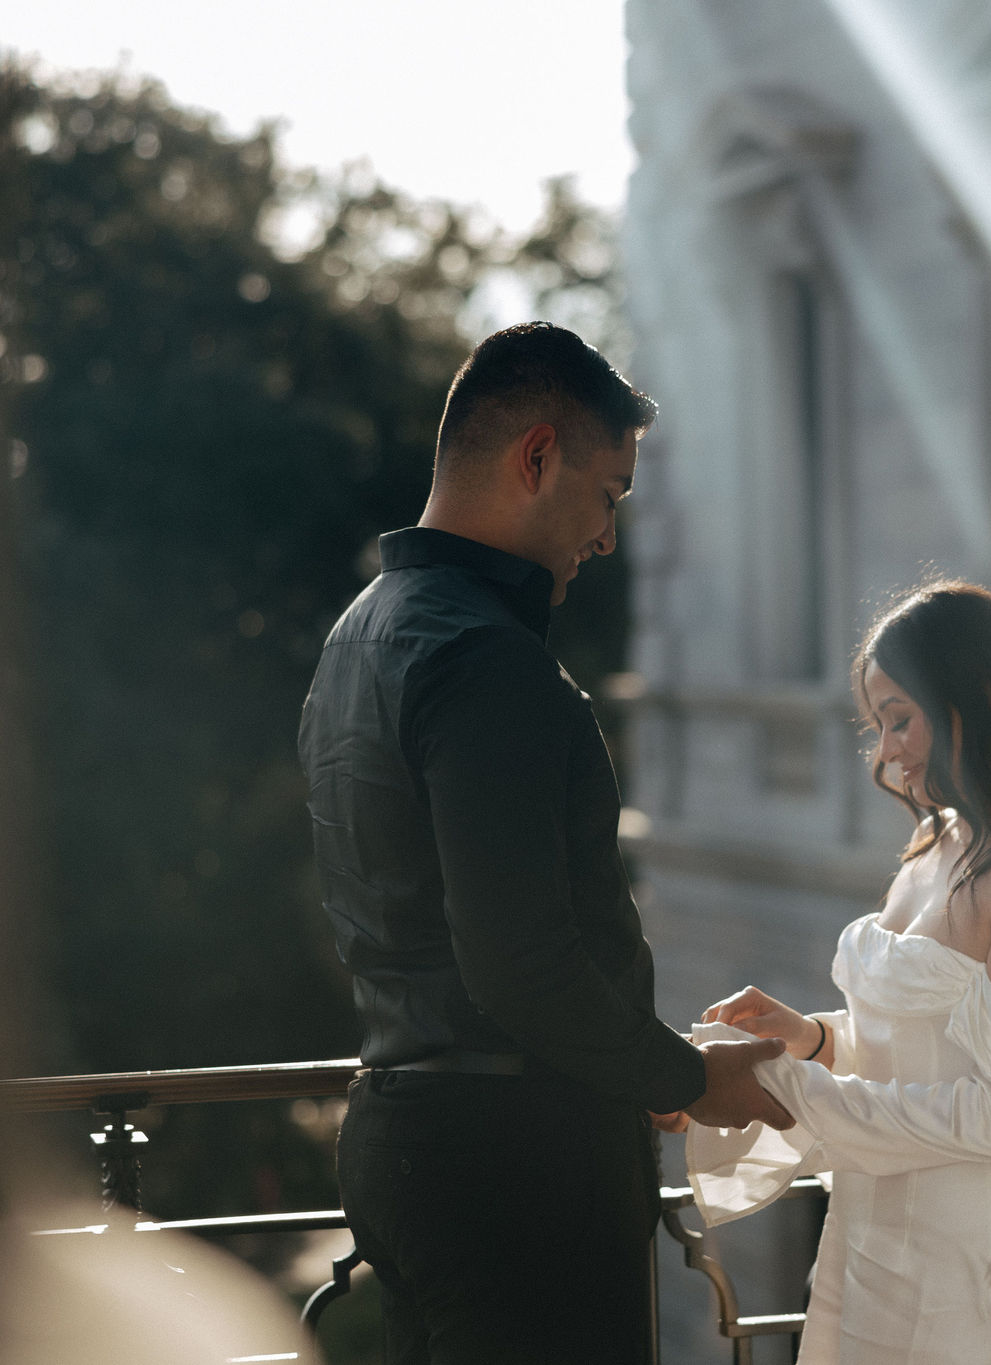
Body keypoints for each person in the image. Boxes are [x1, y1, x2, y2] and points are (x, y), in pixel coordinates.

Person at [297, 322, 791, 1365]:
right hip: (513, 1162)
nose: (606, 537)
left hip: (403, 1135)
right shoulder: (484, 657)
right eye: (608, 494)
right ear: (536, 457)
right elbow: (520, 963)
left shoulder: (357, 633)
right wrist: (682, 1077)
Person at [685, 581, 991, 1364]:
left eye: (899, 718)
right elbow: (922, 1042)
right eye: (878, 725)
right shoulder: (937, 841)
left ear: (976, 694)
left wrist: (788, 1088)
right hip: (872, 1237)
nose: (886, 751)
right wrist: (811, 1041)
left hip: (981, 1258)